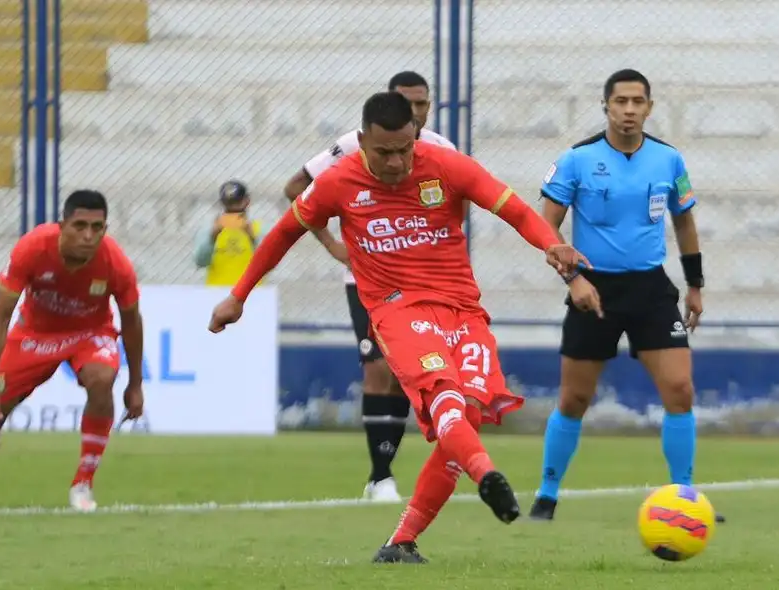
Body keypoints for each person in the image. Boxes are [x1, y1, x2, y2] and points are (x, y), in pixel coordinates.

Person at [210, 91, 592, 563]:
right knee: (445, 396)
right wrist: (238, 295)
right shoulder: (337, 182)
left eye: (404, 150)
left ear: (415, 138)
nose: (395, 162)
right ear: (361, 141)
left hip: (463, 310)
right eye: (383, 152)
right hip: (398, 311)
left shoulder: (447, 165)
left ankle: (401, 542)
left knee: (468, 418)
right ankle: (486, 474)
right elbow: (284, 233)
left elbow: (513, 209)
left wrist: (550, 244)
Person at [527, 69, 724, 523]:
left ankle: (684, 494)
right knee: (574, 399)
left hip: (651, 289)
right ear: (606, 106)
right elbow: (544, 226)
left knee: (680, 390)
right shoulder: (577, 160)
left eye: (638, 101)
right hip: (594, 289)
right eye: (621, 101)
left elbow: (684, 221)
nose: (629, 110)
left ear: (649, 107)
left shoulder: (668, 160)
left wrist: (695, 285)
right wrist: (574, 280)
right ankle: (547, 493)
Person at [283, 71, 457, 502]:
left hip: (420, 282)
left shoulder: (442, 150)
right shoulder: (351, 145)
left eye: (421, 104)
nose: (414, 111)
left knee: (403, 376)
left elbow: (460, 201)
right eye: (405, 102)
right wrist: (332, 244)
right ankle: (381, 477)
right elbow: (296, 188)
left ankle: (382, 472)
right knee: (378, 369)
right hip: (366, 280)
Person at [0, 190, 145, 513]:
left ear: (105, 229)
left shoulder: (116, 263)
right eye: (80, 226)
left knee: (102, 379)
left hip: (89, 333)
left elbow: (132, 323)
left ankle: (83, 483)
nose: (88, 236)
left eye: (97, 228)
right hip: (34, 335)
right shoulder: (32, 248)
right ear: (62, 225)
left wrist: (135, 384)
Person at [193, 180, 264, 286]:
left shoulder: (259, 228)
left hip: (251, 292)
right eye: (229, 203)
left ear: (247, 201)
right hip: (218, 291)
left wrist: (252, 238)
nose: (233, 207)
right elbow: (200, 262)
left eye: (237, 202)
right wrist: (212, 238)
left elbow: (268, 262)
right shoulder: (209, 228)